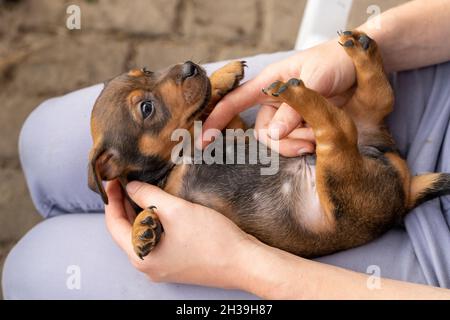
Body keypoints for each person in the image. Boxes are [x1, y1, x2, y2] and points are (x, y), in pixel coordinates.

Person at [3, 0, 450, 299]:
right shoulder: (166, 165)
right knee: (41, 138)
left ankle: (325, 117)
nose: (179, 70)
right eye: (147, 101)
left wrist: (242, 265)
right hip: (416, 116)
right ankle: (347, 94)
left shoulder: (177, 164)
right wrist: (378, 34)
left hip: (353, 215)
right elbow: (233, 134)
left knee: (30, 269)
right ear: (111, 164)